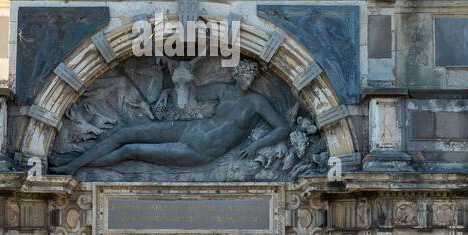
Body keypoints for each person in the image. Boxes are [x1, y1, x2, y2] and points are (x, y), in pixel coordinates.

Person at [50, 60, 290, 173]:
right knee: (123, 133)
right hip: (189, 129)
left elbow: (282, 128)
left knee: (129, 150)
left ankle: (73, 167)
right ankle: (73, 165)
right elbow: (184, 90)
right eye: (244, 75)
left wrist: (258, 144)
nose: (248, 81)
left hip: (202, 151)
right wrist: (166, 93)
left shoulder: (257, 102)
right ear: (236, 74)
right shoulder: (222, 90)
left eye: (252, 77)